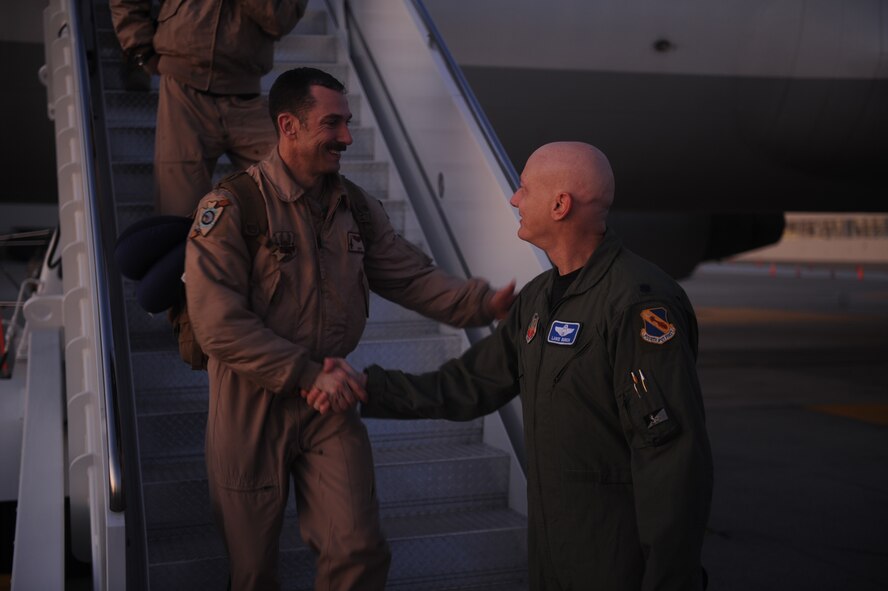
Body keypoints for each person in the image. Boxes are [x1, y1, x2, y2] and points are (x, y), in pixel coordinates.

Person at [312, 141, 714, 590]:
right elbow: (469, 383)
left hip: (615, 561)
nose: (514, 198)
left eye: (524, 188)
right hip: (552, 554)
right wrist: (368, 386)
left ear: (560, 205)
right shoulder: (538, 299)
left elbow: (672, 463)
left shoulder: (638, 304)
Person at [184, 67, 516, 590]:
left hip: (330, 404)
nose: (346, 137)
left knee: (358, 550)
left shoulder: (354, 206)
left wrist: (483, 304)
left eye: (348, 122)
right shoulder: (230, 207)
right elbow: (217, 325)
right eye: (332, 123)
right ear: (289, 126)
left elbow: (411, 278)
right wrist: (305, 373)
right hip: (250, 405)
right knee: (251, 571)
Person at [110, 0, 308, 216]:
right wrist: (140, 49)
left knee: (297, 198)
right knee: (179, 220)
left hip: (246, 94)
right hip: (183, 92)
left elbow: (282, 19)